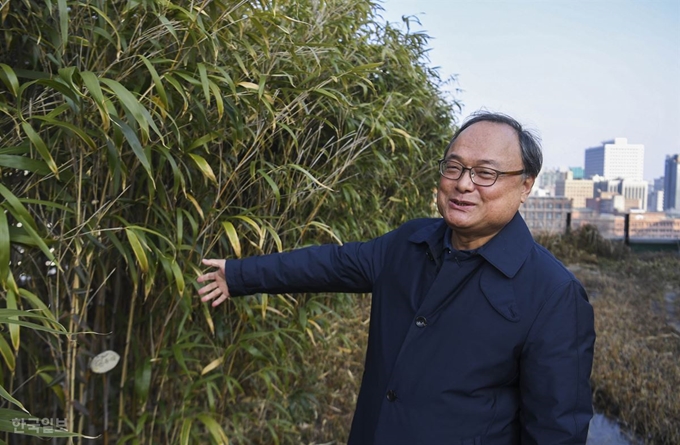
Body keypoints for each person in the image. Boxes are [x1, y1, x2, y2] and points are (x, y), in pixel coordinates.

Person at [197, 112, 596, 445]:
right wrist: (239, 274)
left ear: (525, 185)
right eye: (453, 167)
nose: (463, 183)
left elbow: (556, 432)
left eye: (485, 173)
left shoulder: (553, 294)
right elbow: (330, 264)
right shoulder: (410, 243)